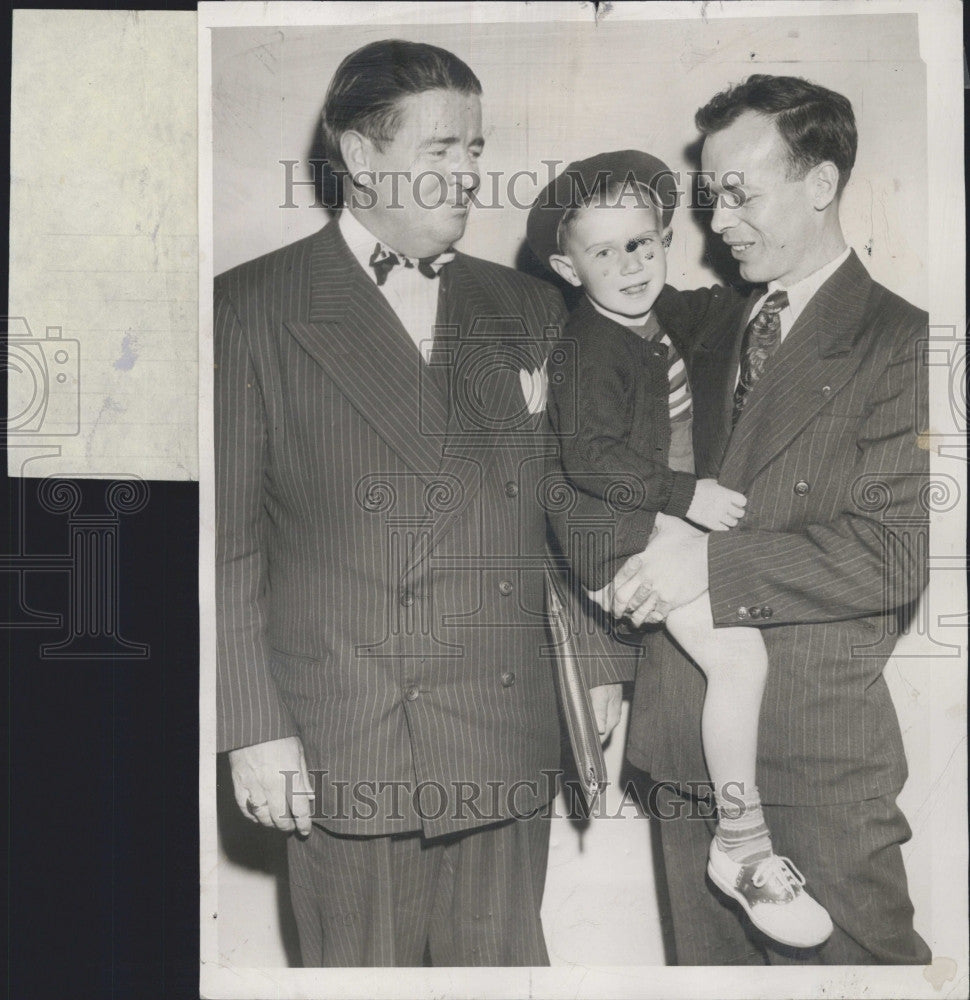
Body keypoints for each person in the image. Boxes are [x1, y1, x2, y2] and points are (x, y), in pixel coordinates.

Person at [214, 39, 628, 968]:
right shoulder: (251, 308)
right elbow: (223, 546)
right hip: (346, 732)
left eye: (476, 151)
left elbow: (573, 501)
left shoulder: (531, 308)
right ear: (361, 158)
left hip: (503, 727)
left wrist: (597, 663)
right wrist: (250, 727)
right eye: (442, 151)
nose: (469, 175)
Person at [578, 76, 931, 964]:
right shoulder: (704, 318)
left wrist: (709, 566)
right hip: (679, 759)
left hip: (812, 767)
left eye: (740, 192)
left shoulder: (904, 341)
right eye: (709, 199)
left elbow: (890, 557)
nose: (719, 220)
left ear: (820, 183)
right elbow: (573, 304)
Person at [530, 148, 834, 949]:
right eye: (604, 252)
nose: (631, 264)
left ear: (664, 237)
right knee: (740, 660)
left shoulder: (666, 315)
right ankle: (742, 847)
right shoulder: (585, 349)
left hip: (657, 531)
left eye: (644, 242)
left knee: (738, 656)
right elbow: (591, 459)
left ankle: (717, 819)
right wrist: (683, 498)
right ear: (567, 266)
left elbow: (733, 308)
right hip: (615, 537)